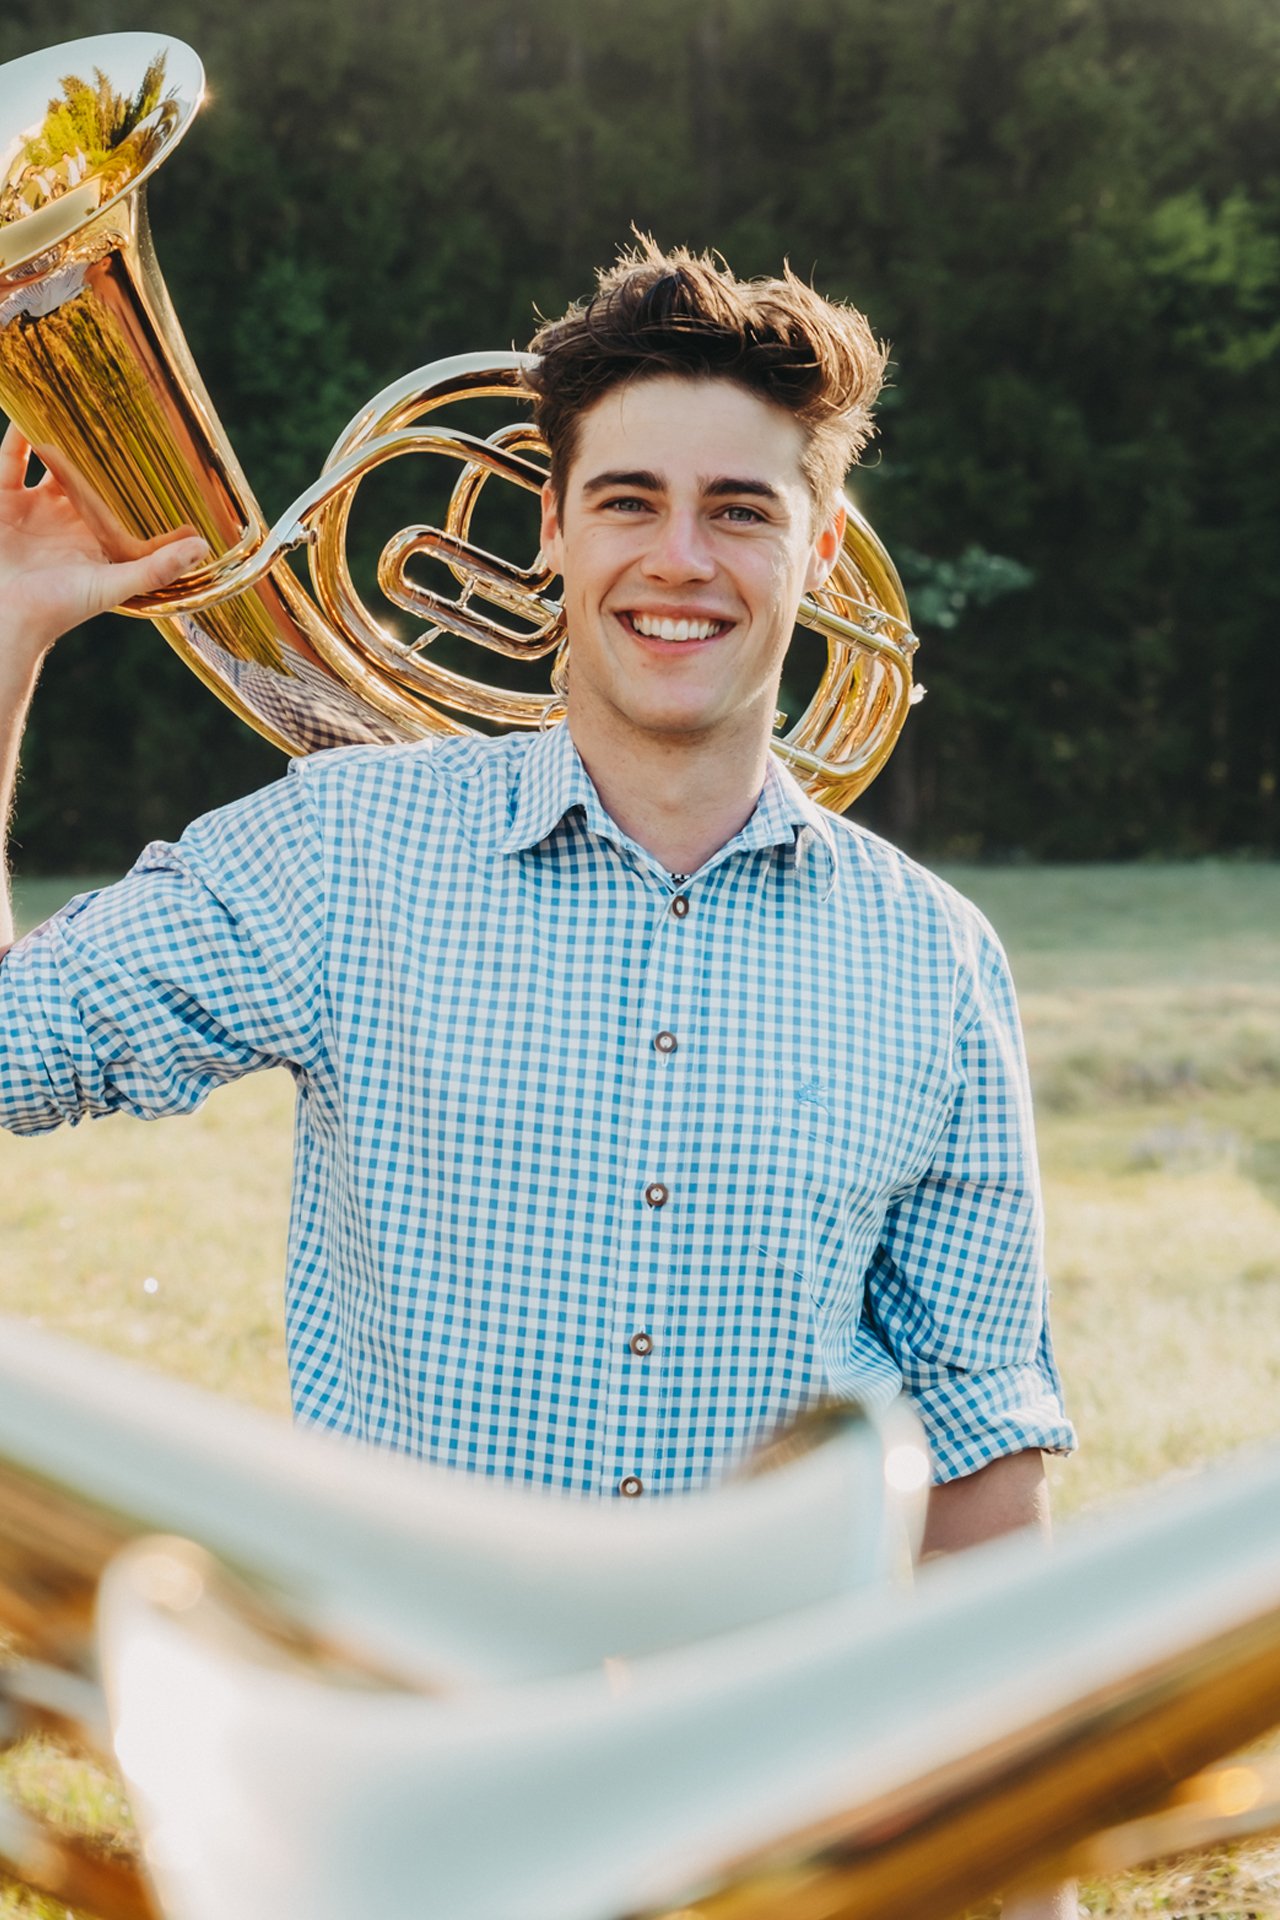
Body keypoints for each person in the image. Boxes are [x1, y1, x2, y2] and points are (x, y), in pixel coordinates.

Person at [0, 241, 1074, 1912]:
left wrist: (1019, 1870)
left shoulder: (933, 960)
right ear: (552, 529)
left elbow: (983, 1461)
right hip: (406, 1797)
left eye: (741, 508)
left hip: (773, 1815)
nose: (680, 558)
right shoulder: (341, 852)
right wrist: (7, 629)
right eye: (629, 499)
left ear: (819, 547)